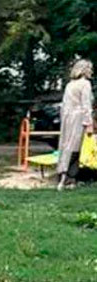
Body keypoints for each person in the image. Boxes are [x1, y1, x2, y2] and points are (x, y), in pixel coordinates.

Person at [56, 59, 94, 191]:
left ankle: (63, 175)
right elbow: (86, 105)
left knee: (66, 146)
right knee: (75, 148)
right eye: (90, 68)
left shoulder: (70, 85)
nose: (91, 71)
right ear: (84, 70)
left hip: (67, 117)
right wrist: (89, 123)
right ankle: (69, 178)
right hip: (78, 118)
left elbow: (64, 104)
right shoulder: (85, 84)